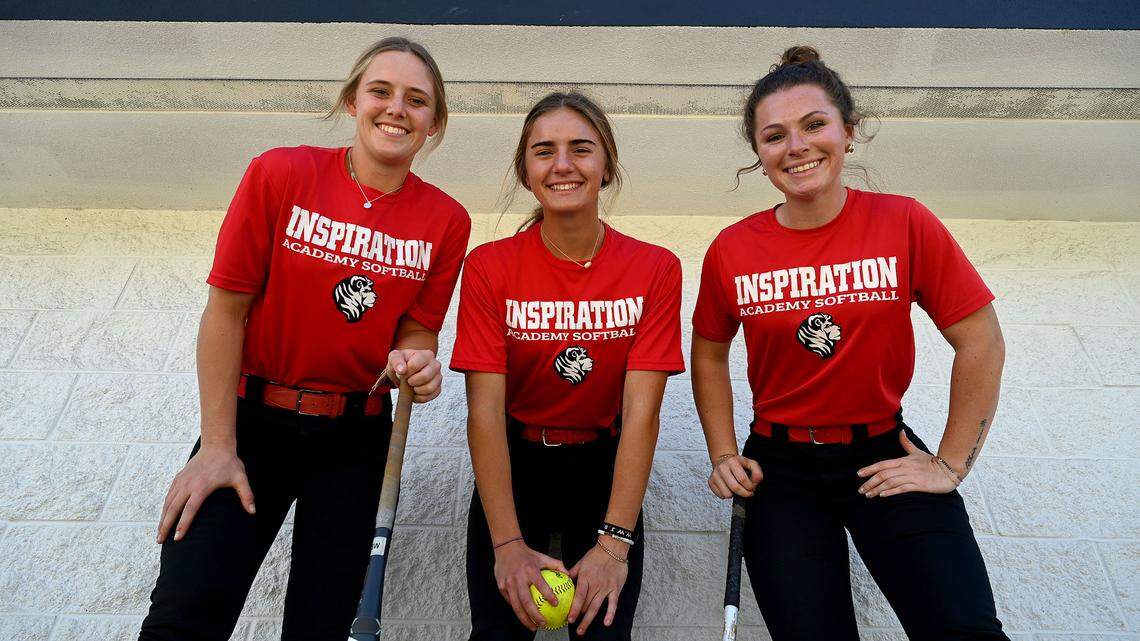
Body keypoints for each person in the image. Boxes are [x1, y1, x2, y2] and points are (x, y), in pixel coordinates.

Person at [138, 37, 471, 641]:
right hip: (249, 424)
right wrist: (217, 445)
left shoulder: (447, 220)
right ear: (351, 101)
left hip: (356, 436)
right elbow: (224, 314)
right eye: (381, 91)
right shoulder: (280, 172)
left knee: (321, 627)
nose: (397, 108)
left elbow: (417, 331)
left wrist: (419, 365)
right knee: (184, 614)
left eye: (416, 100)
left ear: (434, 123)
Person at [691, 46, 1010, 640]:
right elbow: (708, 349)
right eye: (774, 136)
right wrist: (722, 452)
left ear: (848, 132)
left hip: (883, 454)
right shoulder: (733, 248)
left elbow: (981, 340)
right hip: (780, 473)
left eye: (815, 125)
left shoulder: (905, 222)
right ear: (759, 155)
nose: (797, 147)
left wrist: (950, 464)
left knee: (965, 629)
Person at [451, 92, 683, 641]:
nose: (562, 165)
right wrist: (507, 546)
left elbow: (641, 414)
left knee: (603, 635)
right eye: (543, 151)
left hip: (603, 469)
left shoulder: (654, 268)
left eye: (581, 149)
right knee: (497, 634)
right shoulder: (489, 268)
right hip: (516, 462)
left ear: (606, 167)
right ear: (525, 170)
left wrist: (613, 543)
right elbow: (483, 415)